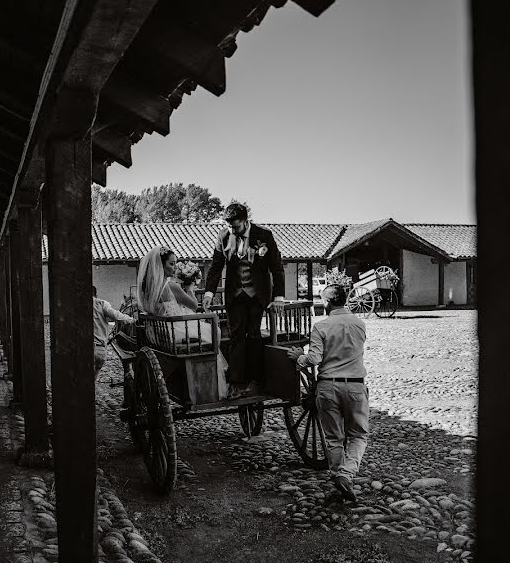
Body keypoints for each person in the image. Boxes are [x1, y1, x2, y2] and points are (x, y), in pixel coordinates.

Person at [287, 284, 368, 503]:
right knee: (358, 435)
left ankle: (337, 475)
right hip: (355, 386)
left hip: (328, 387)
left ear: (328, 302)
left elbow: (314, 360)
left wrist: (298, 357)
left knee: (333, 437)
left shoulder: (321, 327)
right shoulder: (359, 324)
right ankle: (347, 474)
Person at [203, 203, 285, 399]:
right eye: (230, 227)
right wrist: (208, 293)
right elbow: (216, 267)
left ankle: (255, 381)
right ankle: (237, 383)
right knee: (236, 336)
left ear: (246, 221)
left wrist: (278, 297)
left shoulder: (264, 235)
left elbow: (276, 267)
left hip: (257, 295)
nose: (233, 230)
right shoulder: (224, 236)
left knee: (254, 336)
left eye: (236, 227)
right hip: (235, 295)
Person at [137, 246, 229, 399]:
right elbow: (194, 305)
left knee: (207, 328)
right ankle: (210, 378)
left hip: (158, 330)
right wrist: (190, 287)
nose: (174, 268)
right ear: (160, 264)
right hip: (175, 329)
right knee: (214, 330)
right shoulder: (169, 286)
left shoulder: (147, 286)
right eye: (171, 264)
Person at [92, 285, 135, 379]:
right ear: (96, 295)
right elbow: (116, 315)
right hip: (100, 351)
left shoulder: (78, 306)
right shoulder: (101, 303)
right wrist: (131, 320)